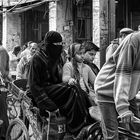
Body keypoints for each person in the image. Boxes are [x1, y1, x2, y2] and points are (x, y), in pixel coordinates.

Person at [28, 31, 93, 137]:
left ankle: (87, 120)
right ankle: (76, 127)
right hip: (42, 91)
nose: (60, 47)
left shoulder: (58, 57)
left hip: (55, 89)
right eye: (57, 45)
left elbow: (60, 78)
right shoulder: (37, 58)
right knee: (71, 90)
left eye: (61, 44)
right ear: (49, 44)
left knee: (75, 88)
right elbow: (34, 85)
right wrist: (49, 104)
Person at [94, 31, 140, 140]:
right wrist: (123, 108)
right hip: (107, 90)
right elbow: (123, 75)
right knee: (112, 136)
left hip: (128, 93)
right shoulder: (133, 41)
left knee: (136, 131)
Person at [0, 44, 9, 140]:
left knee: (2, 112)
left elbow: (2, 70)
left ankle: (5, 135)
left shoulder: (1, 50)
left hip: (1, 86)